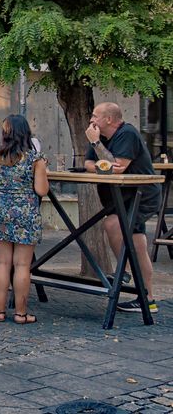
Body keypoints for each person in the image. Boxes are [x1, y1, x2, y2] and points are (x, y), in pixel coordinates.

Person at [84, 102, 162, 313]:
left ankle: (125, 270)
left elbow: (117, 168)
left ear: (108, 119)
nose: (91, 120)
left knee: (113, 225)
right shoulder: (98, 136)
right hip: (120, 196)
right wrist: (102, 161)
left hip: (141, 195)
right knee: (137, 245)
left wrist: (96, 145)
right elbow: (89, 164)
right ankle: (147, 299)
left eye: (95, 116)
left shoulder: (126, 134)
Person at [0, 115, 49, 324]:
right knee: (22, 265)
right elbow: (41, 190)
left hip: (0, 209)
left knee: (2, 262)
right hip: (26, 212)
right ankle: (21, 314)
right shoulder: (35, 158)